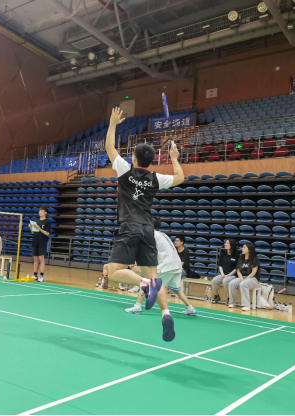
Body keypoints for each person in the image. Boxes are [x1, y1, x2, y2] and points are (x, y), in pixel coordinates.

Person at [105, 107, 185, 343]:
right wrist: (174, 159)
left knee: (113, 272)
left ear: (134, 159)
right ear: (150, 162)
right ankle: (166, 314)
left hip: (129, 227)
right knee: (155, 276)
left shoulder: (125, 171)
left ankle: (144, 284)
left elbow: (109, 147)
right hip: (148, 230)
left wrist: (113, 124)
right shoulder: (156, 178)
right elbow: (180, 178)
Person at [126, 219, 197, 317]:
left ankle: (137, 306)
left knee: (148, 281)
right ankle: (190, 308)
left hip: (167, 265)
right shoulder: (163, 235)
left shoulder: (152, 236)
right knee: (176, 289)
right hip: (176, 265)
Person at [228, 243, 261, 311]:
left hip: (253, 278)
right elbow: (238, 270)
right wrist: (242, 279)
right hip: (243, 277)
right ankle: (232, 302)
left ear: (249, 249)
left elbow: (253, 272)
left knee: (243, 284)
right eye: (242, 247)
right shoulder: (241, 258)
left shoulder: (255, 259)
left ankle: (247, 305)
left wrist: (245, 280)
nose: (242, 249)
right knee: (232, 283)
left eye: (244, 248)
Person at [211, 239, 239, 304]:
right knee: (214, 280)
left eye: (227, 243)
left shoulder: (237, 255)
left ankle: (230, 297)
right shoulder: (223, 254)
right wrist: (223, 274)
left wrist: (228, 275)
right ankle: (216, 296)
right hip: (223, 274)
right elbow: (220, 265)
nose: (225, 244)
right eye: (225, 243)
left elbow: (236, 268)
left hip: (232, 275)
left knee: (225, 281)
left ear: (231, 245)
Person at [30, 207, 51, 282]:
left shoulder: (47, 222)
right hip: (35, 241)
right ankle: (35, 275)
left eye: (42, 211)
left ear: (45, 213)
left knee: (41, 259)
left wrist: (39, 229)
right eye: (39, 211)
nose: (40, 212)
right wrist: (31, 228)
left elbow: (47, 233)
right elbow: (33, 232)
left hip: (42, 242)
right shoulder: (36, 221)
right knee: (35, 259)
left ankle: (41, 276)